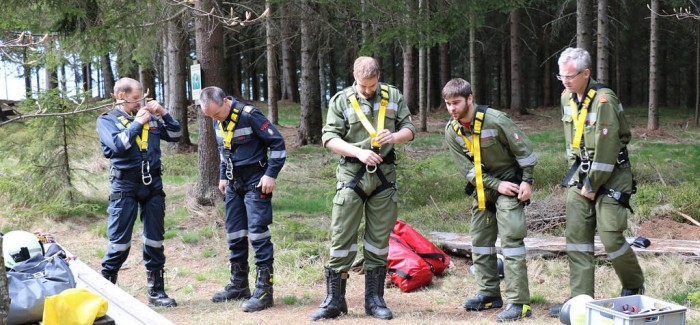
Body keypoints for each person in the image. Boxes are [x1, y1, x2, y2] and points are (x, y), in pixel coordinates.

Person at [311, 56, 416, 321]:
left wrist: (393, 137)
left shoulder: (393, 96)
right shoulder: (341, 100)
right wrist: (358, 152)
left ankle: (374, 300)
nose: (367, 90)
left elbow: (410, 129)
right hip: (352, 175)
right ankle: (335, 300)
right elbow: (329, 138)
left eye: (371, 85)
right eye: (362, 86)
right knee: (341, 238)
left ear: (378, 76)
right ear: (354, 78)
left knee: (379, 242)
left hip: (384, 176)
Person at [550, 47, 644, 316]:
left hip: (612, 174)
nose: (565, 81)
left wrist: (592, 185)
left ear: (586, 73)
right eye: (561, 76)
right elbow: (572, 140)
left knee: (611, 235)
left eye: (570, 76)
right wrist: (579, 178)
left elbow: (607, 148)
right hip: (581, 173)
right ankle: (581, 300)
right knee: (577, 238)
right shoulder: (567, 97)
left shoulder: (604, 100)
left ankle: (634, 286)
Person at [443, 78, 537, 322]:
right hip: (486, 187)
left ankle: (519, 303)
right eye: (448, 104)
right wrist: (495, 185)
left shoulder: (495, 120)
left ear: (470, 99)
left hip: (511, 182)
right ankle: (489, 294)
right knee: (481, 242)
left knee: (512, 240)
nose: (452, 108)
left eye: (456, 102)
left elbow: (525, 152)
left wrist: (527, 181)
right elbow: (469, 172)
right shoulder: (452, 131)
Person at [199, 86, 286, 312]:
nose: (215, 119)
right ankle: (239, 285)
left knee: (258, 234)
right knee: (235, 234)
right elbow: (222, 148)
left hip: (256, 180)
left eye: (217, 114)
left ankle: (264, 291)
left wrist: (270, 175)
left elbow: (278, 144)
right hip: (233, 183)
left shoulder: (250, 115)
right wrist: (222, 176)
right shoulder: (214, 117)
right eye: (210, 116)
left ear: (225, 102)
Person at [96, 77, 182, 307]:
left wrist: (163, 113)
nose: (139, 104)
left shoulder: (151, 118)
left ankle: (156, 292)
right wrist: (137, 123)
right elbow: (119, 146)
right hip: (124, 187)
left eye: (141, 99)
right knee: (119, 243)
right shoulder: (106, 120)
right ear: (120, 96)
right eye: (135, 100)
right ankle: (106, 292)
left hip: (153, 185)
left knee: (154, 240)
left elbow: (175, 136)